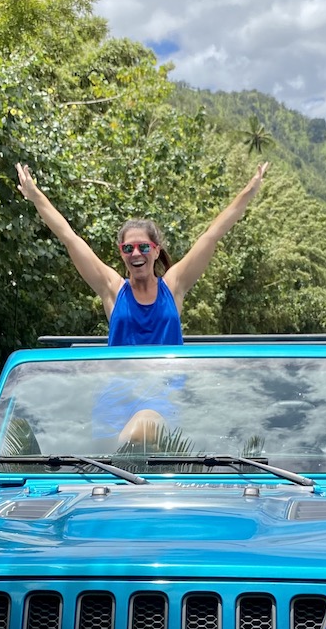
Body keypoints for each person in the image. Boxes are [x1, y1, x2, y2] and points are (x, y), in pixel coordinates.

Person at [15, 160, 268, 443]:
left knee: (142, 431)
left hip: (163, 396)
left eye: (144, 246)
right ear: (122, 254)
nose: (136, 253)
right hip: (116, 399)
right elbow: (69, 237)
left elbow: (212, 235)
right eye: (128, 248)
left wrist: (250, 190)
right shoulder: (112, 289)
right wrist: (36, 196)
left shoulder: (173, 288)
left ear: (156, 251)